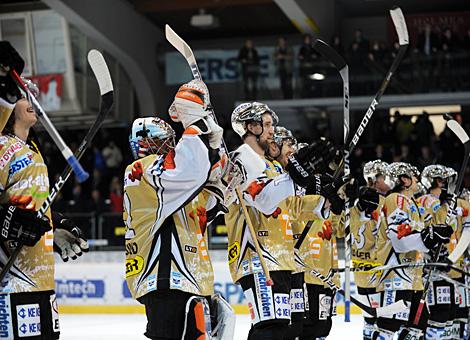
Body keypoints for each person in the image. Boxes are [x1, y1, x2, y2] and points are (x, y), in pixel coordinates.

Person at [123, 79, 230, 340]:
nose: (170, 146)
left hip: (188, 279)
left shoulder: (171, 183)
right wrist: (196, 127)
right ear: (145, 144)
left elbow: (202, 211)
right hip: (165, 278)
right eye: (163, 142)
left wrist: (221, 180)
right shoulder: (142, 171)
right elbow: (188, 171)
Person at [226, 103, 339, 340]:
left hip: (285, 257)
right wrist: (296, 175)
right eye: (266, 125)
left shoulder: (274, 166)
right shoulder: (241, 159)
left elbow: (294, 208)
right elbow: (264, 200)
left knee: (292, 328)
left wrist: (327, 198)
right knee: (272, 328)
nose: (271, 131)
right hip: (259, 256)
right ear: (251, 127)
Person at [0, 41, 89, 339]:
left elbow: (34, 207)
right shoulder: (1, 146)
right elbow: (12, 215)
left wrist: (55, 228)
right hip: (9, 282)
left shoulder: (33, 149)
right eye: (23, 96)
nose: (32, 100)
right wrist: (11, 222)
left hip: (40, 280)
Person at [374, 162, 453, 339]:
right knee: (389, 327)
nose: (417, 180)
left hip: (413, 279)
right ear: (404, 180)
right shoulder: (396, 199)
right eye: (414, 176)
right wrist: (429, 237)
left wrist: (444, 208)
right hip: (396, 276)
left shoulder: (413, 204)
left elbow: (426, 233)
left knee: (417, 327)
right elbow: (400, 242)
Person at [418, 165, 470, 339]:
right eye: (444, 180)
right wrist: (439, 204)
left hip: (454, 271)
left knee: (453, 320)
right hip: (432, 270)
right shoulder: (424, 200)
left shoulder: (454, 203)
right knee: (437, 318)